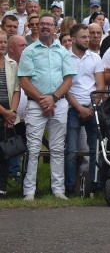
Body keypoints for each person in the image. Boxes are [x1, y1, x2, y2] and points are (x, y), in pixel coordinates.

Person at [17, 14, 76, 200]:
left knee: (58, 148)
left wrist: (54, 98)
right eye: (41, 24)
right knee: (33, 148)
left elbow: (69, 79)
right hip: (36, 104)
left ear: (55, 28)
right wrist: (43, 99)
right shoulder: (30, 51)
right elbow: (24, 80)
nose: (44, 27)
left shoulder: (63, 51)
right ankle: (29, 191)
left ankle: (58, 190)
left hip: (59, 103)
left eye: (48, 24)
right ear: (37, 27)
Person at [63, 24, 102, 196]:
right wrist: (79, 108)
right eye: (84, 37)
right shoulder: (64, 58)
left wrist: (91, 107)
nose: (88, 39)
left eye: (88, 36)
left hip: (92, 107)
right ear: (72, 39)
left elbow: (100, 86)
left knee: (96, 150)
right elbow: (65, 87)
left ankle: (95, 185)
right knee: (71, 151)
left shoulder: (95, 58)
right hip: (73, 107)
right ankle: (70, 188)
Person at [0, 31, 21, 198]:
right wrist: (4, 112)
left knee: (4, 152)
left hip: (8, 115)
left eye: (4, 42)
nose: (2, 45)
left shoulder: (12, 63)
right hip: (3, 112)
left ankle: (2, 187)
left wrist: (12, 113)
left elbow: (16, 90)